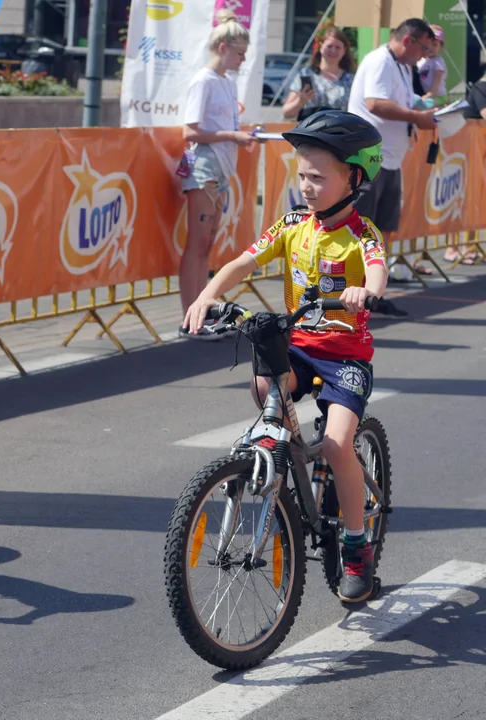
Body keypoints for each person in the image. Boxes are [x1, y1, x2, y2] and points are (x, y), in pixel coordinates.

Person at [184, 110, 388, 603]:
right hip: (299, 349)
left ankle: (356, 547)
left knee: (339, 445)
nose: (306, 185)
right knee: (261, 387)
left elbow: (379, 272)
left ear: (354, 178)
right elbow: (243, 262)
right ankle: (293, 458)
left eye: (318, 177)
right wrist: (207, 294)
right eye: (301, 175)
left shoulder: (363, 234)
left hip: (345, 360)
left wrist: (366, 291)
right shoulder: (294, 223)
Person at [177, 8, 260, 340]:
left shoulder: (225, 81)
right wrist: (232, 136)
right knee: (197, 244)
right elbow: (190, 131)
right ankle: (189, 319)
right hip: (204, 167)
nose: (242, 59)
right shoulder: (204, 80)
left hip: (221, 167)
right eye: (240, 53)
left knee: (207, 244)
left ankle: (201, 312)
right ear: (223, 47)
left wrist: (238, 136)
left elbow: (222, 126)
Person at [347, 17, 436, 307]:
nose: (424, 55)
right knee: (362, 229)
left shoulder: (401, 65)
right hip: (370, 159)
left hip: (389, 159)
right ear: (408, 40)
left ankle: (374, 294)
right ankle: (352, 292)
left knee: (381, 229)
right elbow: (376, 103)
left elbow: (402, 99)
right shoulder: (380, 62)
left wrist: (423, 107)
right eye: (423, 47)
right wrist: (415, 117)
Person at [282, 27, 356, 122]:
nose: (333, 51)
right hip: (310, 131)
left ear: (344, 51)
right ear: (321, 47)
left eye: (337, 47)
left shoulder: (351, 80)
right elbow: (286, 113)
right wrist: (301, 101)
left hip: (338, 131)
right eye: (329, 46)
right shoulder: (306, 74)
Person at [416, 25, 447, 105]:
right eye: (428, 44)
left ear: (440, 47)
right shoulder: (420, 61)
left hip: (438, 96)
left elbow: (437, 80)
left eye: (435, 45)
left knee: (422, 106)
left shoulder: (438, 61)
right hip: (427, 94)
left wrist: (430, 95)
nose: (431, 47)